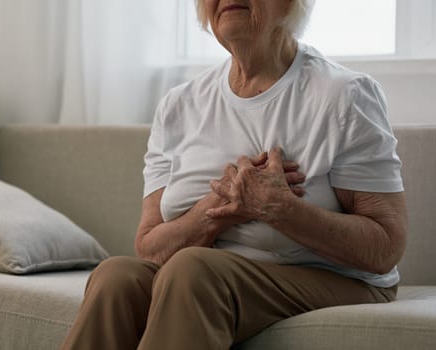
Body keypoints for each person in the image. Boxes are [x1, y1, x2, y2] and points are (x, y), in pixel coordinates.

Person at [60, 0, 407, 349]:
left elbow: (385, 246)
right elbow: (150, 247)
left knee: (192, 269)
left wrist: (279, 209)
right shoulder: (179, 106)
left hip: (334, 278)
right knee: (115, 277)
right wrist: (220, 206)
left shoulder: (343, 95)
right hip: (214, 276)